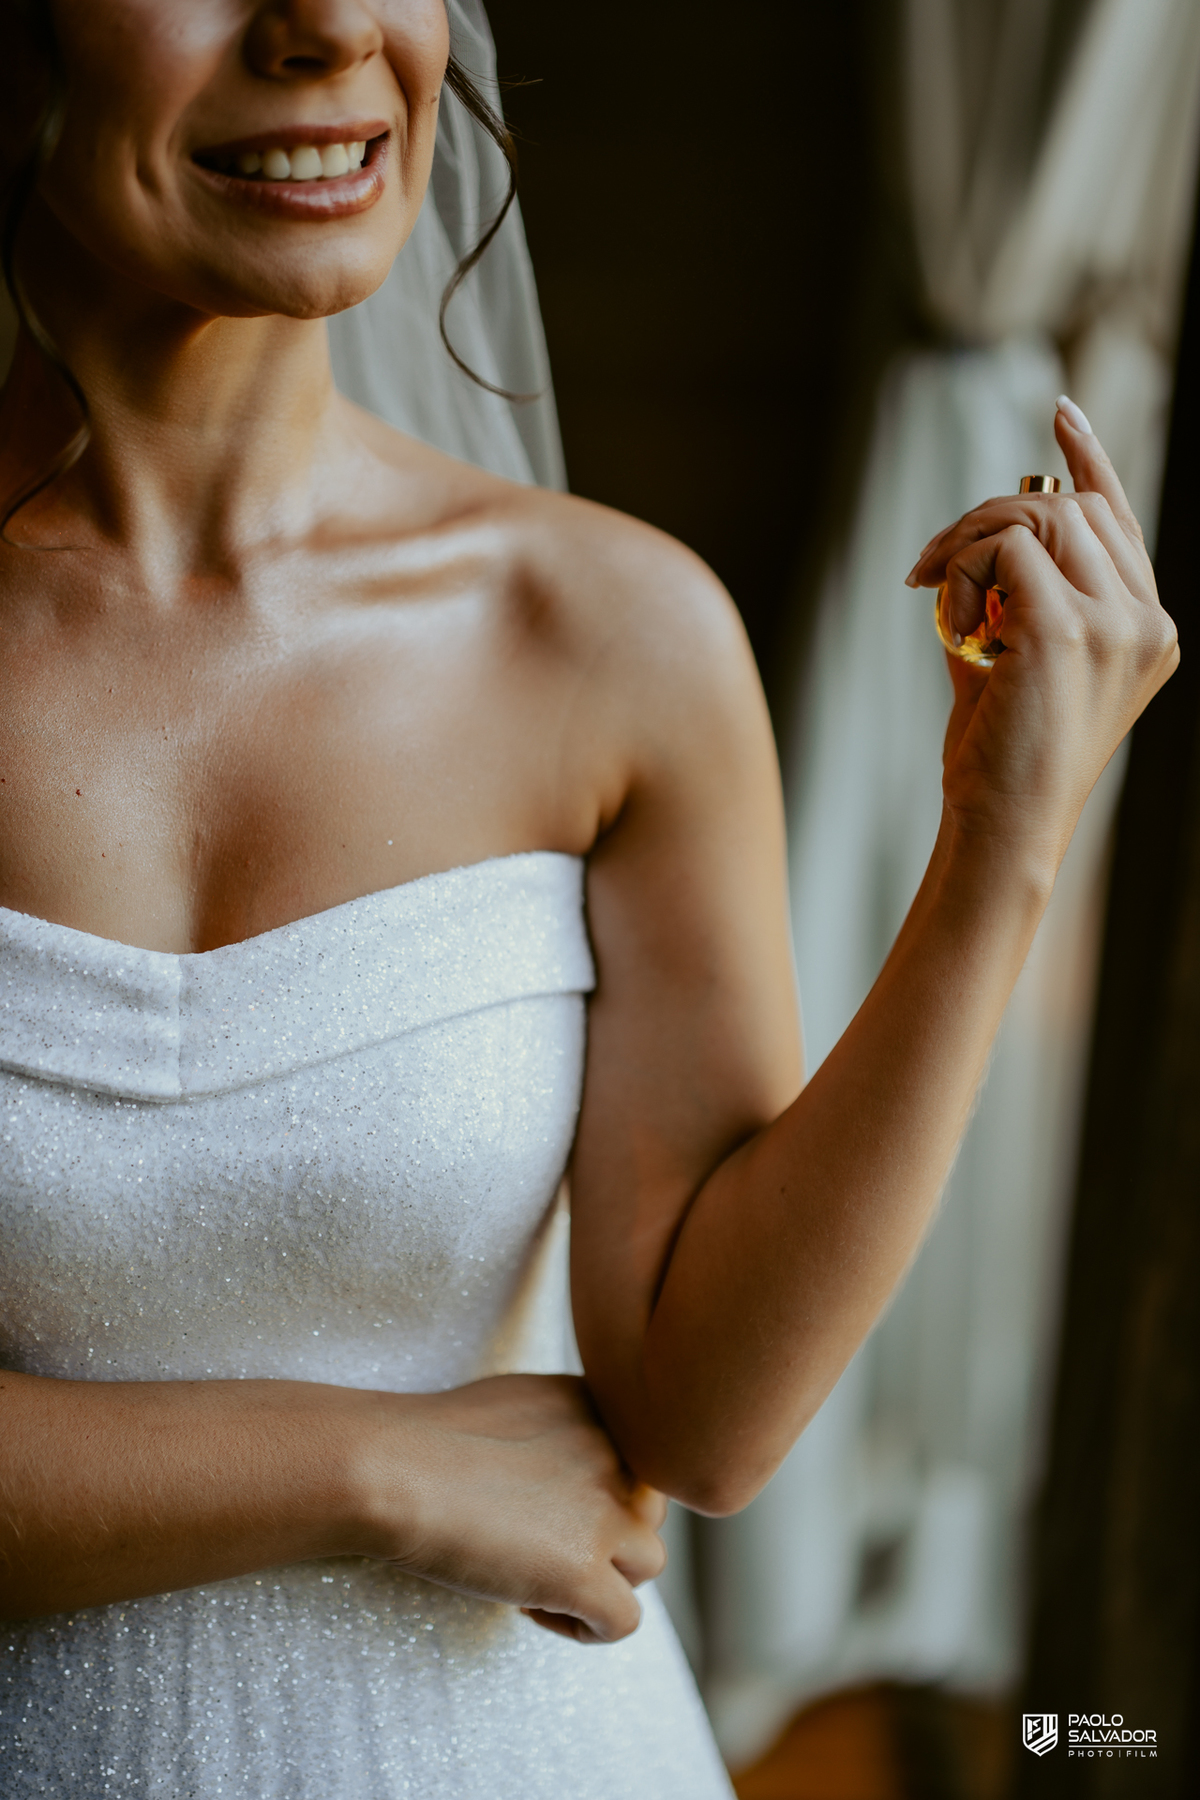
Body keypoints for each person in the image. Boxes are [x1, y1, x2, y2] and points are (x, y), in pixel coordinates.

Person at [0, 1, 1177, 1795]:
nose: (323, 24)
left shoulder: (613, 635)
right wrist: (374, 1471)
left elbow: (703, 1421)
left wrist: (1001, 845)